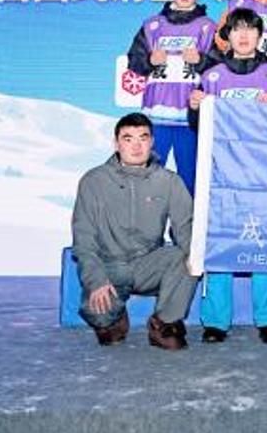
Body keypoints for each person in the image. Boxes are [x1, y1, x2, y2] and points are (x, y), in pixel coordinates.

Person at [189, 8, 267, 345]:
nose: (243, 35)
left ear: (259, 36)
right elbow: (198, 127)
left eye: (250, 30)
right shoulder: (212, 76)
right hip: (222, 174)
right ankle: (215, 320)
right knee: (220, 242)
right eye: (236, 29)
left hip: (265, 175)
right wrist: (195, 108)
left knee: (264, 241)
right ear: (228, 36)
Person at [72, 112, 198, 350]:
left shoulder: (169, 181)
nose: (136, 146)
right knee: (103, 321)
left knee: (188, 256)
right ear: (116, 143)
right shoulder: (93, 181)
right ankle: (115, 316)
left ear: (152, 142)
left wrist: (197, 257)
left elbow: (185, 227)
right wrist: (95, 279)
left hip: (148, 264)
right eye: (128, 138)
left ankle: (164, 323)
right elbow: (84, 237)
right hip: (109, 265)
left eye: (143, 138)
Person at [124, 0, 216, 194]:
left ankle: (187, 217)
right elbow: (133, 60)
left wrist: (201, 60)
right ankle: (147, 217)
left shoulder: (207, 26)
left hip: (191, 116)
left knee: (190, 176)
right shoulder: (153, 25)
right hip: (156, 114)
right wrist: (149, 60)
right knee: (150, 174)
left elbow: (219, 67)